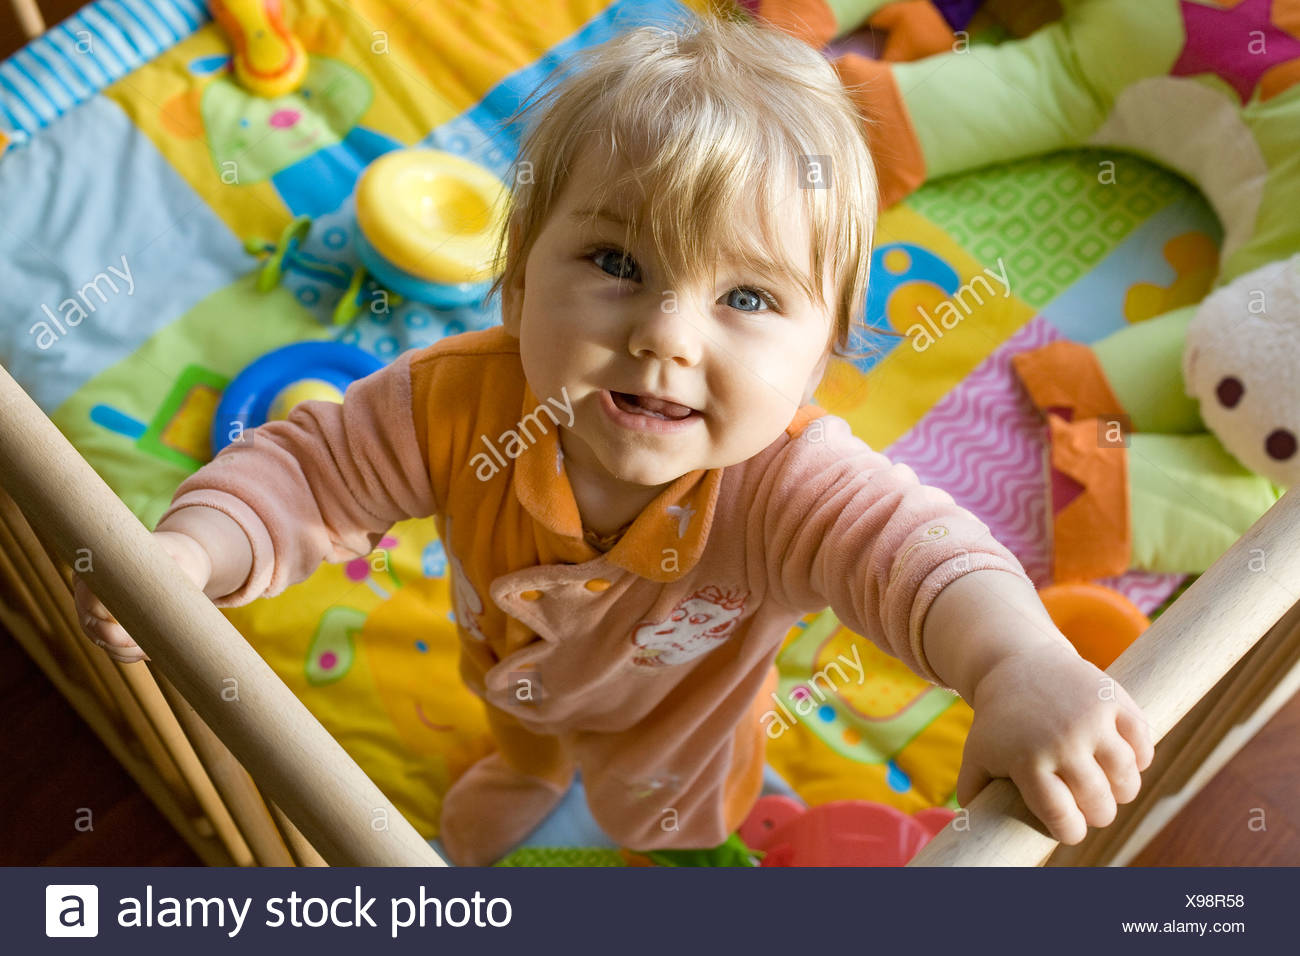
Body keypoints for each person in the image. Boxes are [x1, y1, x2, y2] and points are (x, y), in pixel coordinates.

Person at [75, 10, 1152, 865]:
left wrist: (1017, 664)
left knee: (668, 808)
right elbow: (310, 472)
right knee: (521, 734)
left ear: (823, 354)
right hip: (508, 668)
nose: (665, 336)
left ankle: (665, 832)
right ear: (514, 283)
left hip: (688, 716)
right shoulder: (460, 398)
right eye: (616, 265)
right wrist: (188, 557)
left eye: (745, 296)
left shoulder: (788, 483)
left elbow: (922, 560)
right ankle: (533, 775)